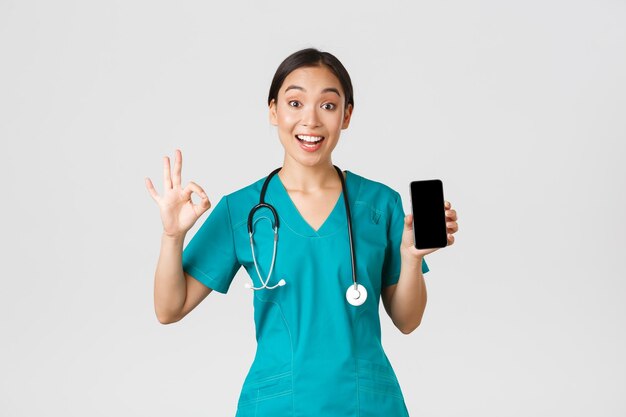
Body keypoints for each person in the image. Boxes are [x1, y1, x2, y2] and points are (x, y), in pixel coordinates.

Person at [145, 47, 459, 417]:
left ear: (347, 115)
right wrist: (172, 237)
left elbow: (408, 321)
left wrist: (410, 258)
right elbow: (169, 309)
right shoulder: (242, 209)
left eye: (327, 106)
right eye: (295, 103)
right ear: (273, 110)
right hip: (279, 404)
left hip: (367, 405)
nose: (310, 120)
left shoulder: (380, 205)